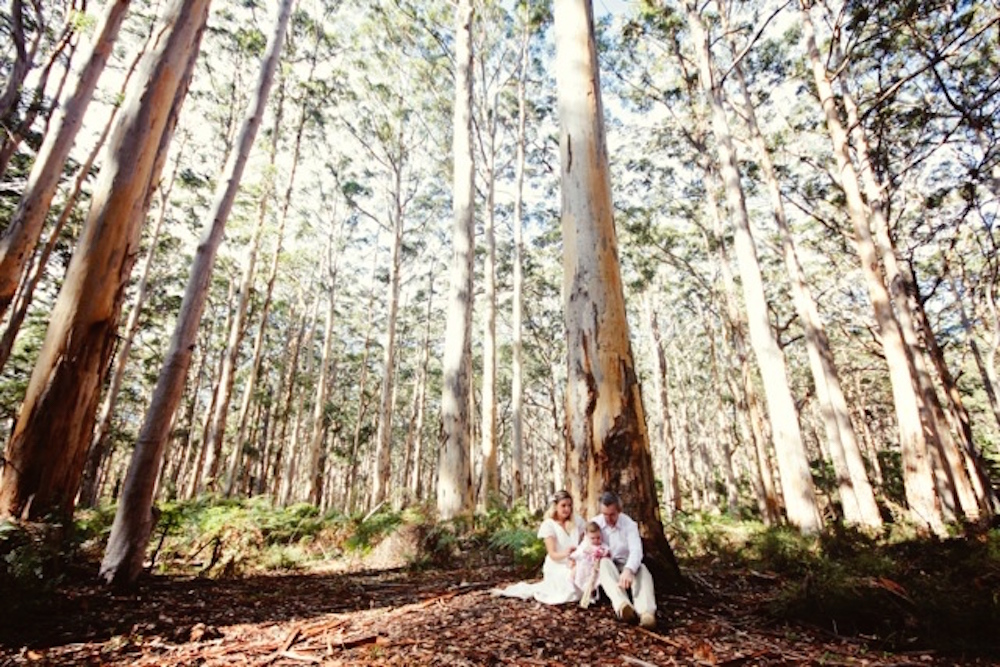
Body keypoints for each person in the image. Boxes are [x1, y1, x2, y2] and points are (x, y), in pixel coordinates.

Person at [494, 489, 586, 604]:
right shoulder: (549, 525)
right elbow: (552, 554)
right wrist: (567, 553)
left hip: (575, 563)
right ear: (555, 506)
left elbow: (584, 542)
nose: (567, 509)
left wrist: (577, 557)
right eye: (563, 505)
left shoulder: (577, 521)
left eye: (569, 505)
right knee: (570, 591)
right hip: (557, 565)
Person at [591, 491, 657, 629]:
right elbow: (586, 545)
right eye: (605, 515)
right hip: (608, 563)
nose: (608, 519)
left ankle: (646, 612)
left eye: (612, 515)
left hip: (626, 562)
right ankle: (623, 607)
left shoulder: (629, 524)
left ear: (619, 511)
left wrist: (628, 570)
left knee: (642, 570)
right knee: (603, 564)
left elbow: (636, 550)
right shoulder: (596, 524)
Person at [570, 520, 609, 608]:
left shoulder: (602, 546)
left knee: (595, 581)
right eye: (592, 538)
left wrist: (604, 554)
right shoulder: (585, 545)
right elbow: (578, 553)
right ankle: (583, 595)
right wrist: (573, 557)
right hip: (584, 567)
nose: (596, 540)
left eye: (598, 537)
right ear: (587, 536)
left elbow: (607, 552)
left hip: (595, 568)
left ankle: (593, 596)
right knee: (577, 575)